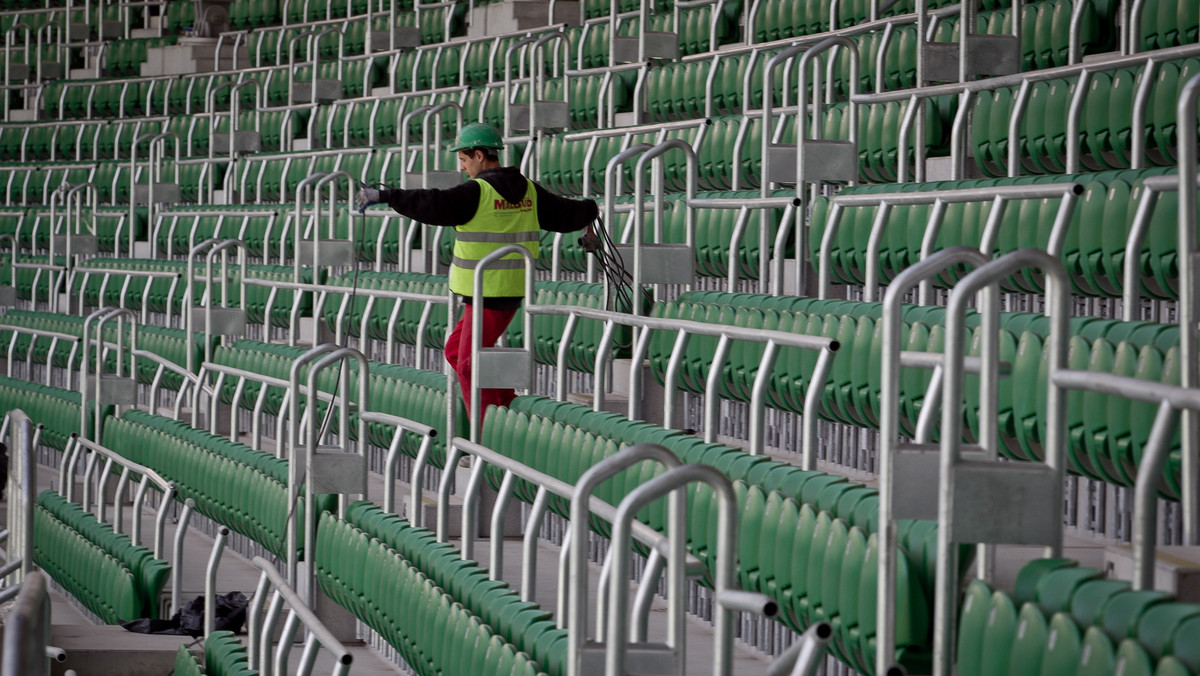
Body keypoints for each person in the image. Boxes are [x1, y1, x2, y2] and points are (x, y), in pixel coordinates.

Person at [355, 122, 599, 421]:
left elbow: (434, 203)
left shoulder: (475, 192)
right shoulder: (530, 191)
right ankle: (502, 407)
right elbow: (566, 214)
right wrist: (589, 210)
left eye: (464, 159)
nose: (463, 166)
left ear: (480, 155)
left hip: (487, 293)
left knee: (468, 363)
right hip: (507, 290)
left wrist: (387, 196)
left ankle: (486, 434)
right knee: (456, 352)